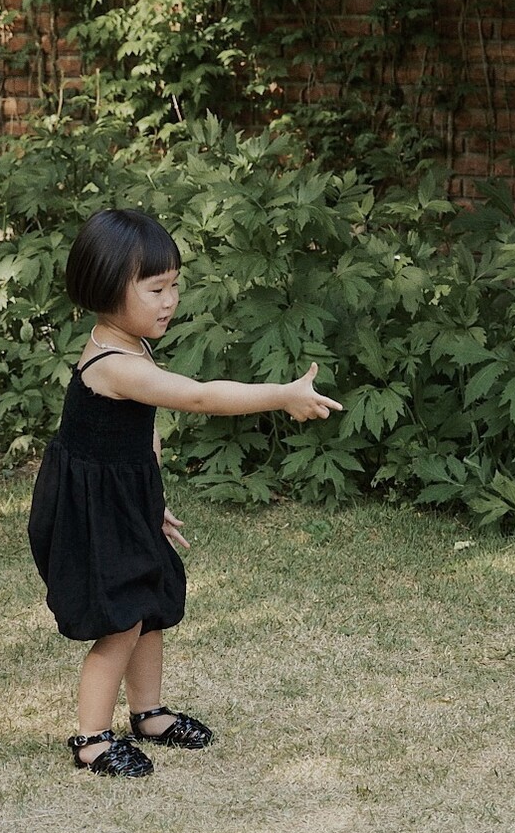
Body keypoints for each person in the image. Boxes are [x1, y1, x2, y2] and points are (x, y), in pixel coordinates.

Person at [28, 208, 344, 778]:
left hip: (121, 500)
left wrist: (151, 501)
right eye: (156, 289)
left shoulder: (132, 345)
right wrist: (281, 394)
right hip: (90, 511)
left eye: (174, 285)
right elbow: (198, 397)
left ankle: (148, 714)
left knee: (149, 605)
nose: (170, 301)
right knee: (121, 619)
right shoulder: (113, 362)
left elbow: (141, 434)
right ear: (107, 288)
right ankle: (92, 739)